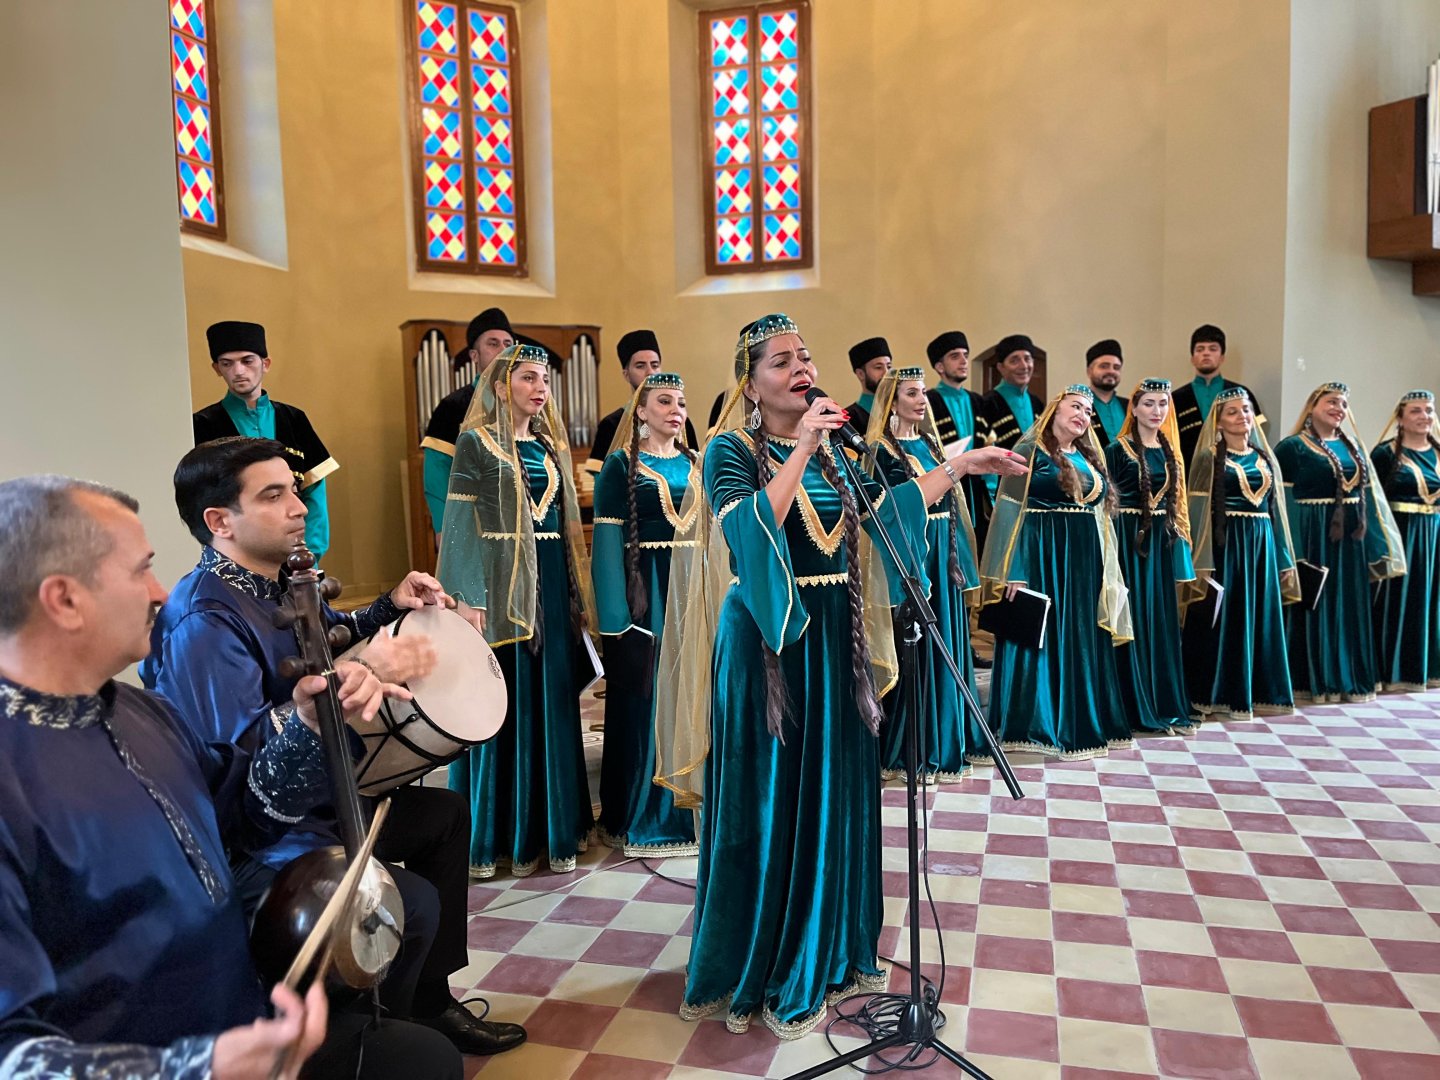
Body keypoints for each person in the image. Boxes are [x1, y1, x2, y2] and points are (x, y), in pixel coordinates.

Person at [0, 475, 463, 1079]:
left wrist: (312, 725)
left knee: (422, 1059)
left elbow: (249, 814)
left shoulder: (141, 712)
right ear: (64, 599)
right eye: (140, 571)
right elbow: (13, 1052)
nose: (160, 593)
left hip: (239, 1018)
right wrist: (200, 1068)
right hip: (162, 1057)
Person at [655, 314, 1026, 1039]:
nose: (802, 368)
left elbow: (884, 517)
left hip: (837, 644)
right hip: (769, 647)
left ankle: (834, 945)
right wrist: (803, 449)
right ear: (752, 381)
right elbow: (748, 530)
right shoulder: (730, 449)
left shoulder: (838, 452)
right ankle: (763, 957)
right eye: (782, 361)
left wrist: (958, 467)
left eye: (806, 356)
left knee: (836, 796)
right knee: (772, 801)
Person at [144, 438, 527, 1057]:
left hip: (318, 797)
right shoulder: (202, 623)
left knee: (444, 819)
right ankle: (368, 1049)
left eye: (294, 490)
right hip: (250, 836)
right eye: (274, 495)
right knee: (415, 901)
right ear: (220, 521)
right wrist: (350, 681)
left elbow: (328, 639)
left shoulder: (283, 581)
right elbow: (242, 779)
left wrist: (386, 609)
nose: (299, 507)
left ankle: (430, 1005)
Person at [438, 342, 598, 877]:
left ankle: (555, 826)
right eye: (528, 378)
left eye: (545, 380)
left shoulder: (552, 449)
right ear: (502, 386)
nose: (540, 388)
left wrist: (574, 598)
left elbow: (566, 532)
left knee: (549, 700)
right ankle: (501, 832)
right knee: (504, 700)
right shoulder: (475, 444)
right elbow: (459, 530)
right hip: (498, 583)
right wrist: (467, 599)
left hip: (548, 584)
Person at [978, 385, 1133, 760]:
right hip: (1041, 556)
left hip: (1082, 562)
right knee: (1041, 636)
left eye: (1087, 410)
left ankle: (1080, 718)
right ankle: (1035, 723)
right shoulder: (1030, 451)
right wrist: (1013, 568)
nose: (1082, 414)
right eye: (1075, 406)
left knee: (1077, 636)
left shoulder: (1087, 456)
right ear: (1055, 410)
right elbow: (1009, 509)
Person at [591, 372, 701, 856]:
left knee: (693, 699)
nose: (675, 409)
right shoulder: (620, 466)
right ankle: (642, 813)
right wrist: (618, 625)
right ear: (641, 411)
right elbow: (607, 547)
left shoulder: (698, 462)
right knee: (645, 705)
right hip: (647, 600)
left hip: (692, 597)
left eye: (681, 401)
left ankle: (695, 806)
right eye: (664, 401)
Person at [867, 366, 982, 782]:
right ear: (891, 401)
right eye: (912, 393)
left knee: (946, 640)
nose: (921, 400)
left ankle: (949, 735)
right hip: (913, 553)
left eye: (923, 394)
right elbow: (886, 512)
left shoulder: (932, 444)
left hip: (939, 552)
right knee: (916, 649)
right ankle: (912, 746)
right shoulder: (879, 449)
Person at [1274, 383, 1405, 703]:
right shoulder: (1293, 447)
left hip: (1350, 542)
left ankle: (1349, 678)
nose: (1339, 408)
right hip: (1313, 535)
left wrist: (1377, 546)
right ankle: (1313, 679)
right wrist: (1291, 553)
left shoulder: (1354, 447)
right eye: (1332, 401)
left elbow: (1370, 500)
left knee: (1347, 605)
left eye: (1344, 404)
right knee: (1315, 604)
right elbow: (1281, 501)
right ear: (1312, 405)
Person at [1182, 387, 1300, 720]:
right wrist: (1201, 562)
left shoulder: (1265, 458)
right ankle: (1219, 694)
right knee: (1226, 618)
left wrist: (1284, 558)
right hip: (1227, 548)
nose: (1241, 416)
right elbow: (1199, 511)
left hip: (1261, 547)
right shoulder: (1208, 457)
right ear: (1218, 422)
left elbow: (1277, 514)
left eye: (1246, 409)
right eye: (1232, 411)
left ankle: (1260, 691)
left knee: (1260, 617)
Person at [193, 320, 337, 562]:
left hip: (297, 553)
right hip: (236, 556)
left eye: (247, 361)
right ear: (217, 368)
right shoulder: (204, 424)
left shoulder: (294, 419)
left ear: (265, 364)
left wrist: (310, 553)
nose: (238, 371)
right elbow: (203, 501)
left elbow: (314, 493)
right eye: (227, 363)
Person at [1104, 379, 1196, 734]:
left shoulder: (1171, 450)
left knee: (1159, 619)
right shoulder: (1118, 449)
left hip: (1160, 543)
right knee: (1135, 617)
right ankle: (1134, 704)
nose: (1157, 411)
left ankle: (1165, 702)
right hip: (1130, 540)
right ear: (1135, 408)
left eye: (1163, 404)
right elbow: (1106, 503)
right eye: (1149, 404)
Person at [421, 307, 515, 534]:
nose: (503, 350)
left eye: (508, 344)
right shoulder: (452, 407)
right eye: (493, 344)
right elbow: (437, 479)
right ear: (474, 356)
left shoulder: (526, 405)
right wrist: (446, 532)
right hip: (472, 526)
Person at [1372, 390, 1440, 690]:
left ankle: (1430, 670)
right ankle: (1395, 671)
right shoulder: (1385, 454)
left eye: (1428, 410)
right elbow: (1373, 501)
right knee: (1398, 600)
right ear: (1400, 417)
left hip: (1435, 534)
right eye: (1416, 410)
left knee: (1432, 601)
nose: (1424, 416)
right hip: (1401, 533)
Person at [585, 330, 698, 479]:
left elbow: (695, 472)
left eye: (655, 365)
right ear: (626, 374)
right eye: (640, 366)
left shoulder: (678, 420)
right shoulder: (610, 424)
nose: (650, 372)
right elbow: (602, 481)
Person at [926, 330, 993, 545]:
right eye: (955, 356)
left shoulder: (978, 401)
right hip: (945, 483)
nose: (964, 361)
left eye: (965, 355)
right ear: (939, 366)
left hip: (977, 488)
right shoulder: (928, 402)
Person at [1171, 324, 1265, 466]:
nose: (1206, 353)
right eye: (1200, 349)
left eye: (1213, 349)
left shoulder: (1242, 395)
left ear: (1222, 357)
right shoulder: (1176, 398)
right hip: (1188, 473)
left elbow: (1255, 437)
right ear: (1192, 358)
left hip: (1236, 470)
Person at [978, 334, 1044, 453]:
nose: (1024, 366)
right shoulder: (986, 404)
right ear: (1000, 367)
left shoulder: (1037, 403)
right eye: (1014, 360)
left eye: (1027, 359)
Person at [845, 336, 893, 435]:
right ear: (860, 374)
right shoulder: (850, 419)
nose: (886, 373)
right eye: (878, 367)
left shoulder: (901, 409)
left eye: (889, 367)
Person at [1085, 339, 1127, 445]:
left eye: (1116, 367)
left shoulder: (1131, 406)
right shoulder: (1078, 405)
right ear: (1089, 371)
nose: (1111, 371)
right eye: (1104, 366)